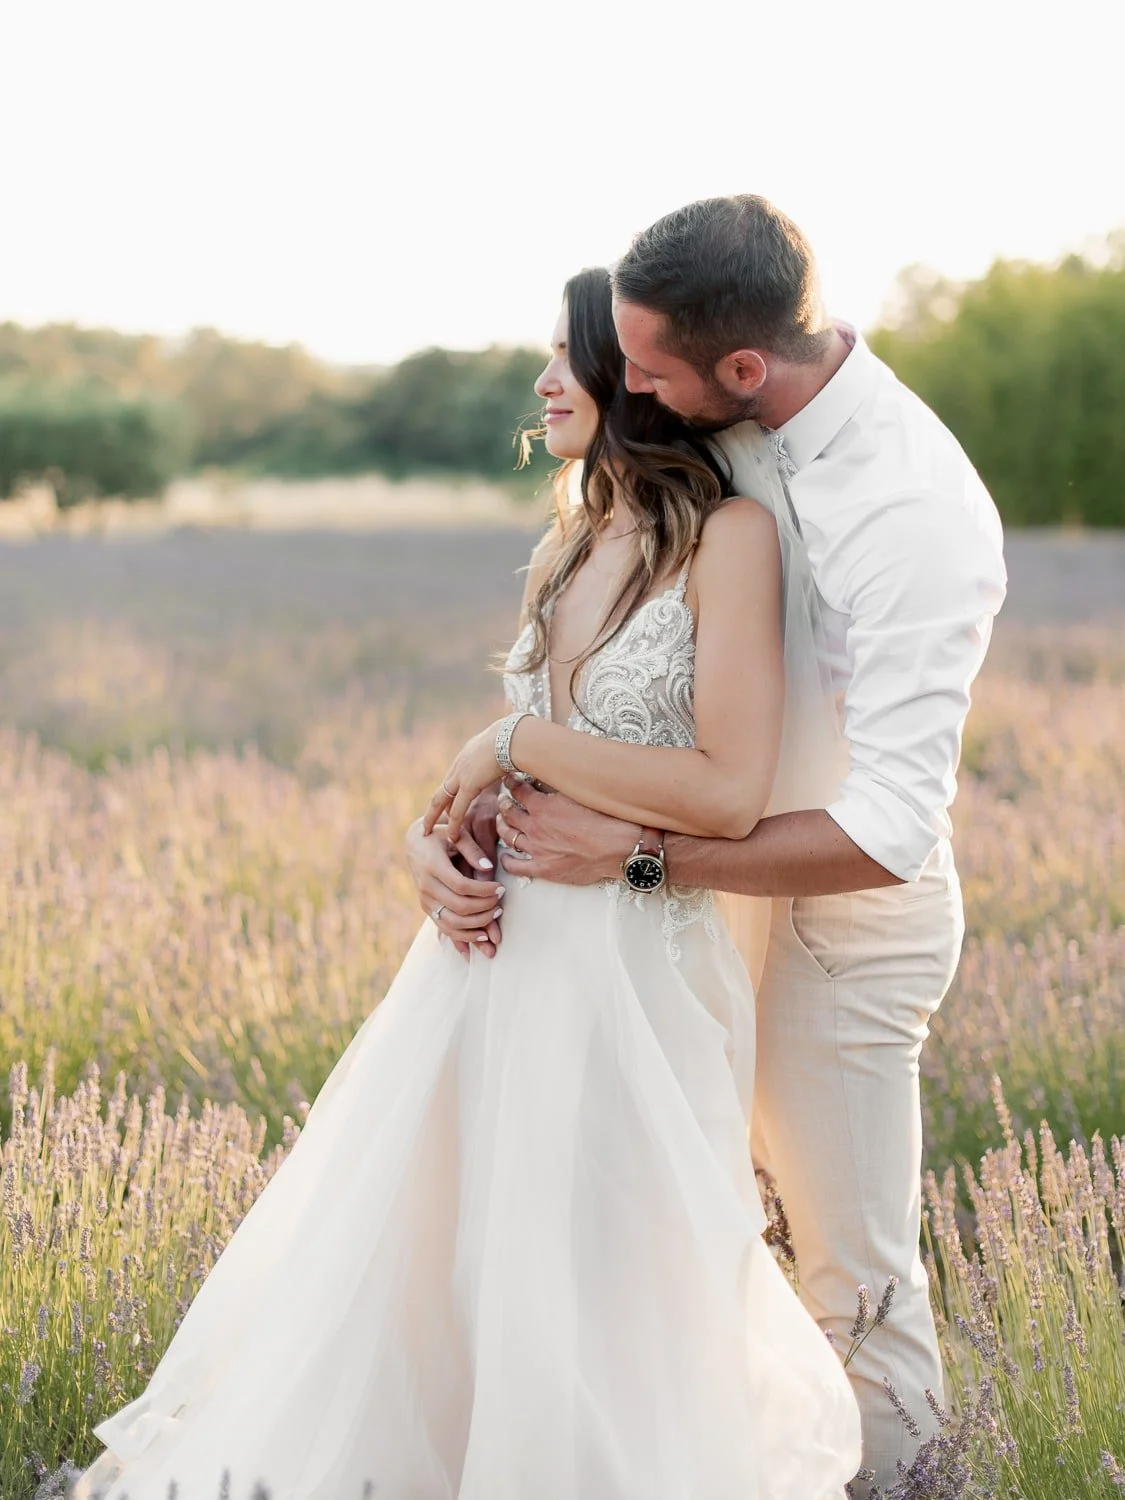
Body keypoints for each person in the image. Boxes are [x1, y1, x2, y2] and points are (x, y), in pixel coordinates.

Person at [75, 266, 861, 1500]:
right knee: (447, 1266)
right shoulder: (570, 539)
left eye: (570, 358)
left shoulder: (731, 538)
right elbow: (514, 755)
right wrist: (439, 841)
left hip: (633, 959)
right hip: (488, 957)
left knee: (612, 1266)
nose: (545, 381)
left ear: (635, 380)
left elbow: (723, 791)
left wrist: (509, 748)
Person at [408, 197, 1007, 1494]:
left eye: (645, 368)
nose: (626, 385)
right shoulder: (724, 433)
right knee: (686, 1250)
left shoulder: (910, 511)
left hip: (829, 924)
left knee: (848, 1275)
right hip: (677, 909)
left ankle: (911, 1483)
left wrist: (638, 860)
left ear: (740, 369)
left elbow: (886, 832)